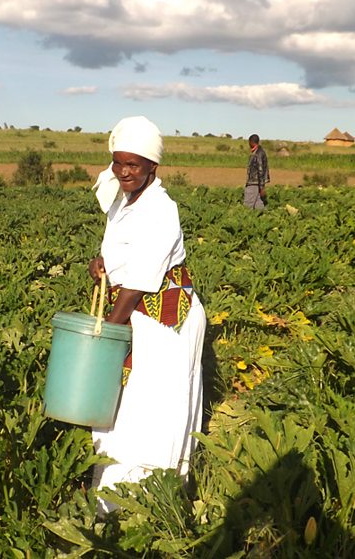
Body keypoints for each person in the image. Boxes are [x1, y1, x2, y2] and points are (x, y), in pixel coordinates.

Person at [86, 116, 207, 515]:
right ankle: (113, 501)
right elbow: (123, 254)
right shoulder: (125, 200)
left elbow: (140, 281)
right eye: (118, 163)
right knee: (123, 407)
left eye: (133, 165)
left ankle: (151, 502)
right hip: (134, 315)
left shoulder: (161, 208)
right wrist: (101, 263)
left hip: (163, 324)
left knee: (153, 410)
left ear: (153, 166)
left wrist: (107, 334)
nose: (123, 172)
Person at [243, 134, 269, 210]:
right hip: (257, 183)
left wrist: (261, 188)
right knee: (259, 205)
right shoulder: (258, 152)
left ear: (251, 142)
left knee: (247, 206)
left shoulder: (258, 154)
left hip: (254, 183)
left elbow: (260, 171)